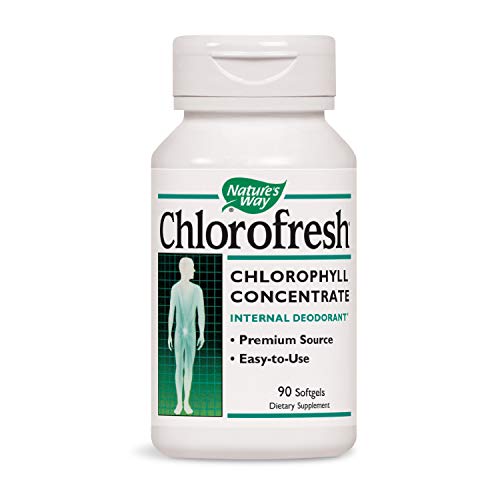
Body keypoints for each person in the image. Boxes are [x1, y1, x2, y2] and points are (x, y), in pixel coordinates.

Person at [168, 257, 205, 415]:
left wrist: (202, 333)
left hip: (191, 333)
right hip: (179, 333)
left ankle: (186, 402)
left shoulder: (197, 290)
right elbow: (171, 312)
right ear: (185, 269)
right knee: (179, 367)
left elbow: (201, 313)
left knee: (188, 367)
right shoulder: (175, 289)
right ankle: (178, 402)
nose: (194, 270)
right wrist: (169, 334)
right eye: (192, 268)